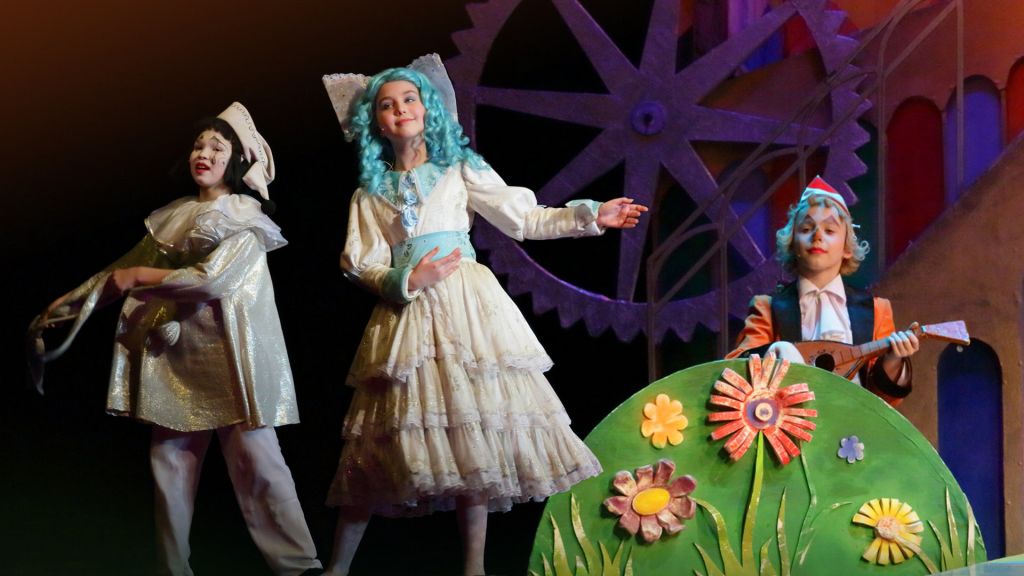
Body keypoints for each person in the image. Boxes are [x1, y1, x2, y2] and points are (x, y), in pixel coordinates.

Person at [320, 54, 647, 576]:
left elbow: (525, 219)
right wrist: (406, 280)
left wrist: (591, 215)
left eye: (409, 99)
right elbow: (358, 262)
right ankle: (337, 568)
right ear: (375, 122)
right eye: (387, 104)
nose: (400, 109)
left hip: (468, 311)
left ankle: (474, 568)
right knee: (383, 440)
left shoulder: (459, 168)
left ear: (428, 109)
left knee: (474, 434)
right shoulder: (370, 193)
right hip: (408, 316)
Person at [28, 103, 323, 576]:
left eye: (216, 147)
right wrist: (65, 307)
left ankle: (299, 567)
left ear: (237, 160)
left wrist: (139, 277)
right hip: (175, 358)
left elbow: (211, 280)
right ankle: (172, 568)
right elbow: (117, 273)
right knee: (169, 466)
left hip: (230, 359)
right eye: (198, 145)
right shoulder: (175, 215)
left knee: (260, 464)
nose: (203, 154)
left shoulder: (244, 216)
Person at [726, 175, 919, 406]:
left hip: (854, 421)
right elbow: (736, 368)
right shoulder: (768, 307)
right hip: (791, 419)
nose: (817, 235)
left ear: (847, 248)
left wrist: (893, 361)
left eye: (829, 230)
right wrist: (776, 350)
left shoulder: (876, 309)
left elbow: (884, 401)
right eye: (807, 228)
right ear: (792, 244)